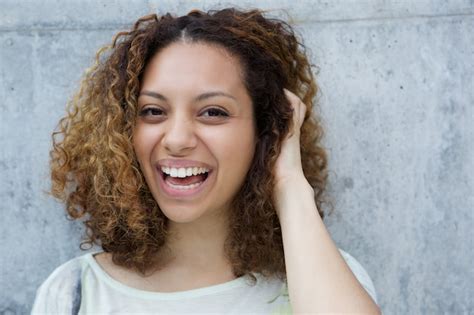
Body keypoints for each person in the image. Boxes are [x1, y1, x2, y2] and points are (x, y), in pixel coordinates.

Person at [32, 7, 381, 314]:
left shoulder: (326, 279)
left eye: (213, 112)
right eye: (153, 111)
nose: (178, 139)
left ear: (265, 131)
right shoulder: (74, 293)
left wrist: (289, 184)